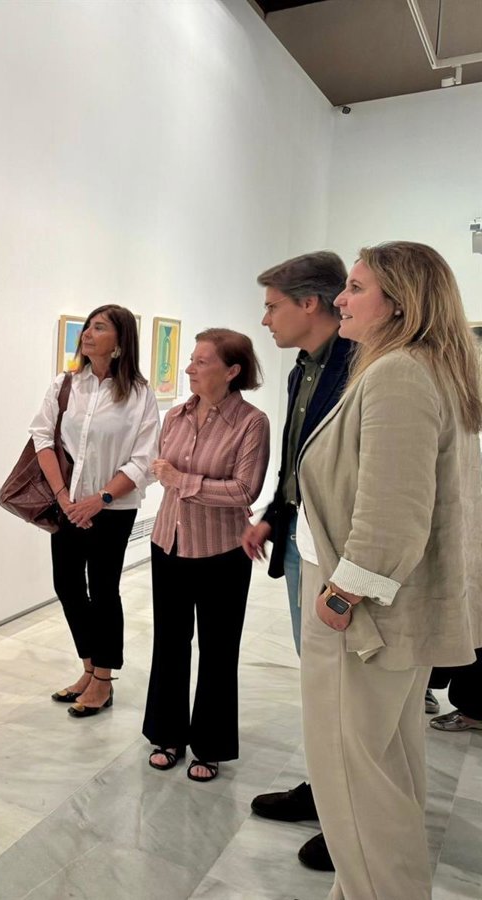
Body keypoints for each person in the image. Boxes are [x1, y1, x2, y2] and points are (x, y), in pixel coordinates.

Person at [295, 242, 482, 900]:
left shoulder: (400, 372)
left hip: (366, 617)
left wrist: (342, 595)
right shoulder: (427, 367)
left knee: (354, 782)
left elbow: (393, 515)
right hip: (391, 612)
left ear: (400, 302)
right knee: (385, 770)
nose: (340, 299)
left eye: (355, 287)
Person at [238, 252, 353, 871]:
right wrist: (272, 515)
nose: (265, 320)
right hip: (300, 541)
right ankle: (324, 791)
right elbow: (297, 463)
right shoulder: (302, 369)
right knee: (319, 681)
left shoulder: (363, 367)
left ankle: (350, 820)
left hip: (339, 553)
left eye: (272, 306)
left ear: (310, 304)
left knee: (346, 690)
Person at [142, 329, 269, 781]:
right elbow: (160, 470)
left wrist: (181, 480)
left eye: (201, 361)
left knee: (218, 650)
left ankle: (210, 745)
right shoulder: (176, 415)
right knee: (169, 643)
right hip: (169, 542)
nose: (189, 368)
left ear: (232, 371)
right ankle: (167, 733)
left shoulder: (252, 423)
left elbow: (244, 491)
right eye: (191, 360)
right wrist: (175, 479)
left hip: (222, 552)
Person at [29, 305, 159, 718]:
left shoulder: (139, 395)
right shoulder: (66, 383)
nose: (87, 333)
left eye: (99, 327)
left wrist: (98, 499)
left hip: (113, 508)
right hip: (67, 505)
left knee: (103, 589)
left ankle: (104, 677)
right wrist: (65, 497)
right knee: (67, 585)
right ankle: (88, 667)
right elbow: (41, 437)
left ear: (120, 341)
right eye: (87, 326)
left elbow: (144, 460)